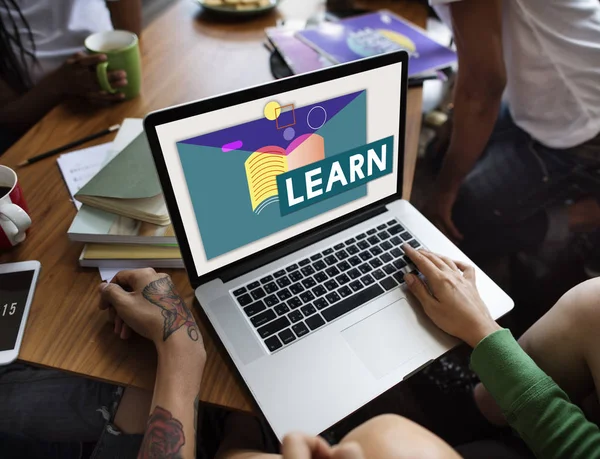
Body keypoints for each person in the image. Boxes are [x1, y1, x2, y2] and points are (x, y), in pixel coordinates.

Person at [424, 0, 600, 263]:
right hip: (548, 95)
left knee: (457, 220)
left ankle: (584, 217)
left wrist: (444, 192)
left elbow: (483, 89)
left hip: (583, 122)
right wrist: (455, 116)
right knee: (437, 159)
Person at [0, 0, 142, 152]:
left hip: (121, 102)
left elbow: (133, 36)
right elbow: (7, 117)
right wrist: (59, 85)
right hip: (53, 123)